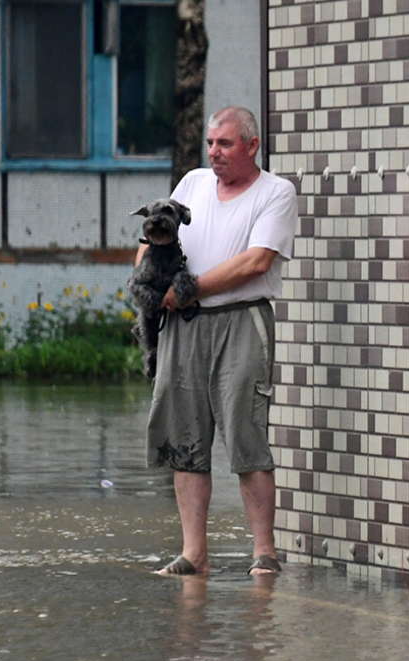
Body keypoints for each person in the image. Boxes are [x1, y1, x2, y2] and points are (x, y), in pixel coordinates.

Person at [137, 106, 298, 576]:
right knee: (183, 437)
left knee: (246, 433)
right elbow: (154, 233)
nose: (214, 153)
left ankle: (263, 552)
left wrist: (188, 290)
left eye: (224, 144)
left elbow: (256, 262)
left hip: (240, 320)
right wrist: (145, 279)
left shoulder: (276, 192)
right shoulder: (192, 183)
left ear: (251, 146)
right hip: (182, 325)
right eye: (210, 143)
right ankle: (194, 553)